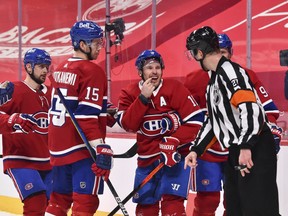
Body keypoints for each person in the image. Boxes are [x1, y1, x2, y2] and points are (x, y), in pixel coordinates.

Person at [184, 26, 281, 216]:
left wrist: (246, 146)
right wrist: (196, 149)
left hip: (255, 148)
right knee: (236, 209)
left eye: (193, 52)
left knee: (258, 210)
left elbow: (250, 109)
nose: (194, 58)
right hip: (237, 149)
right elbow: (214, 122)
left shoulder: (231, 73)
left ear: (200, 52)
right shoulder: (213, 81)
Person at [117, 49, 204, 215]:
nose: (154, 71)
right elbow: (128, 125)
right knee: (145, 208)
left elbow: (196, 120)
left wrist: (174, 141)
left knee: (173, 207)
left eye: (158, 67)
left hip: (174, 158)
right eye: (149, 68)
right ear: (140, 72)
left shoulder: (175, 88)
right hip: (147, 160)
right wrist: (142, 98)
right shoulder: (129, 93)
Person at [45, 20, 113, 216]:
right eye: (96, 43)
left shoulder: (60, 68)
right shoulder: (92, 71)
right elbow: (85, 115)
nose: (100, 47)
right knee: (85, 203)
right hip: (80, 148)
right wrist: (100, 146)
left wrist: (103, 109)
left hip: (58, 147)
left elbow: (74, 105)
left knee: (58, 202)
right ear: (82, 45)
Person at [0, 48, 52, 215]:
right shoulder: (12, 90)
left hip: (48, 161)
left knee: (55, 204)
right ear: (29, 67)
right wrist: (13, 120)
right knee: (35, 202)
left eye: (47, 66)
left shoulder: (52, 94)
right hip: (20, 159)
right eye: (41, 66)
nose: (45, 70)